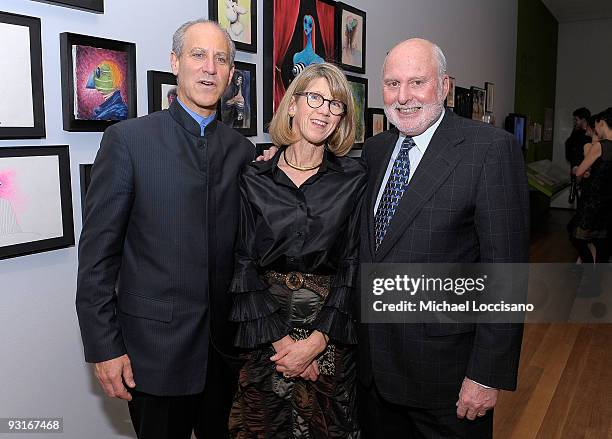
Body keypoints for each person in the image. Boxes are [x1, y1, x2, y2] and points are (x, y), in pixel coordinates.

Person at [76, 19, 255, 439]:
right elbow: (98, 257)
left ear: (231, 74)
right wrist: (105, 347)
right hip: (152, 356)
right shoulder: (128, 141)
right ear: (175, 62)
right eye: (198, 55)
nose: (209, 68)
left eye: (221, 59)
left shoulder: (243, 152)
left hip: (223, 355)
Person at [357, 38, 529, 438]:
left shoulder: (489, 150)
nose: (403, 97)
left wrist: (486, 375)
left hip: (446, 380)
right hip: (373, 375)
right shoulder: (376, 149)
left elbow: (507, 273)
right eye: (392, 83)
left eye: (417, 82)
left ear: (445, 86)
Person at [227, 62, 366, 438]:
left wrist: (316, 342)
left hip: (330, 330)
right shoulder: (254, 176)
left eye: (335, 104)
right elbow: (242, 264)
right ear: (292, 105)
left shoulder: (354, 179)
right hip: (264, 331)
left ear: (341, 118)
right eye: (315, 98)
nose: (324, 110)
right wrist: (284, 343)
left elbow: (353, 265)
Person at [571, 108, 612, 263]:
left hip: (593, 202)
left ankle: (590, 274)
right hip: (608, 204)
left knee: (577, 238)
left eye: (596, 126)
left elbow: (579, 171)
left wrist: (582, 171)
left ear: (602, 123)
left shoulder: (600, 146)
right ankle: (596, 281)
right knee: (602, 245)